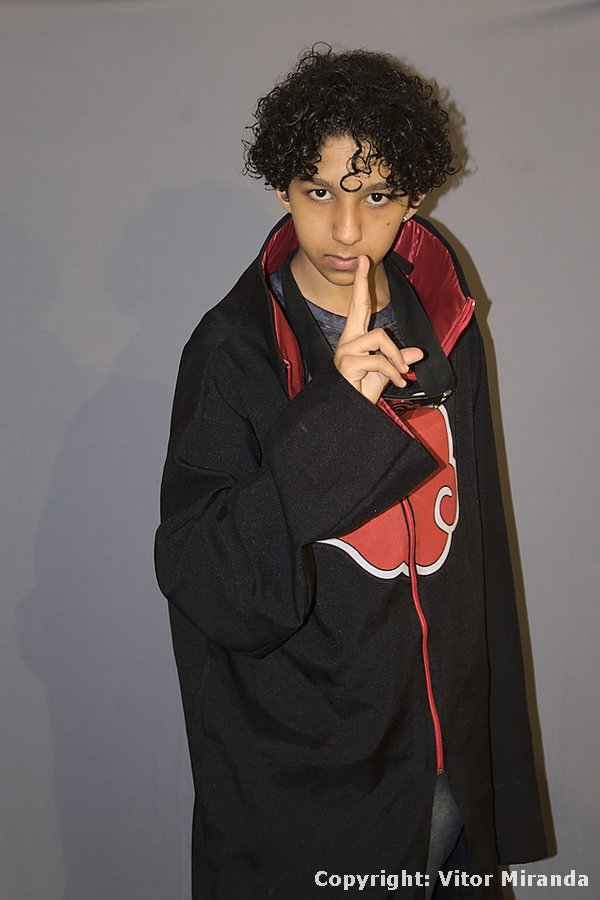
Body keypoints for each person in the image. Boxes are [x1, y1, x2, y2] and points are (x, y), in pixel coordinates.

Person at [155, 46, 547, 899]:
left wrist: (491, 761)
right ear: (281, 188)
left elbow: (477, 551)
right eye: (318, 191)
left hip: (447, 771)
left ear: (414, 198)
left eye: (375, 197)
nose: (344, 230)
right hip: (312, 795)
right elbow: (209, 583)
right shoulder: (234, 350)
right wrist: (333, 417)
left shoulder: (443, 321)